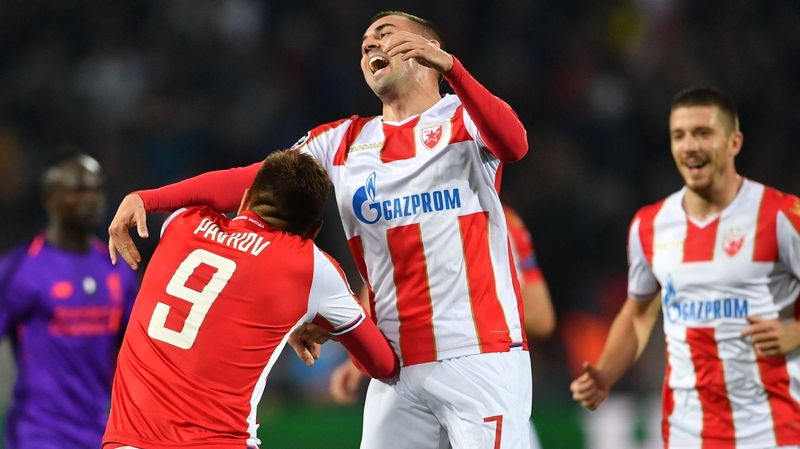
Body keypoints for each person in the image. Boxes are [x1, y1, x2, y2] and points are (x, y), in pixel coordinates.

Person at [108, 10, 532, 449]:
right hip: (398, 368)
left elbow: (515, 144)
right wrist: (148, 199)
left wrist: (453, 68)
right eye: (365, 41)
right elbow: (255, 181)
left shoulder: (464, 120)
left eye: (385, 34)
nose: (370, 44)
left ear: (426, 49)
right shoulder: (344, 141)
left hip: (478, 351)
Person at [102, 150, 399, 449]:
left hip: (127, 441)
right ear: (313, 232)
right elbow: (383, 363)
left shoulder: (180, 223)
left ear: (244, 201)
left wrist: (144, 198)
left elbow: (214, 198)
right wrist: (323, 326)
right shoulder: (310, 266)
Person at [570, 87, 800, 448]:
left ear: (734, 142)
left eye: (703, 133)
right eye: (679, 135)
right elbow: (638, 315)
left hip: (775, 430)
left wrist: (796, 333)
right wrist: (605, 374)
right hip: (686, 433)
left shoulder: (781, 215)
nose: (689, 146)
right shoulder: (650, 225)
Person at [0, 151, 138, 449]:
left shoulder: (118, 270)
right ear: (51, 198)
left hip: (100, 432)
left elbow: (138, 352)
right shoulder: (21, 269)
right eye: (80, 190)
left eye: (98, 189)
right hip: (38, 433)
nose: (94, 199)